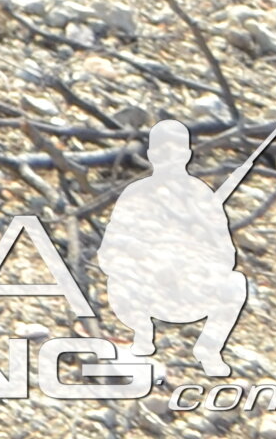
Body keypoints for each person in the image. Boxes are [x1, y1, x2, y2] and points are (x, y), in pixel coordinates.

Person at [99, 120, 255, 376]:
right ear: (150, 155)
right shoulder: (135, 194)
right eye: (162, 150)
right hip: (144, 287)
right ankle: (142, 335)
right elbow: (109, 251)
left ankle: (209, 348)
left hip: (190, 288)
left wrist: (196, 263)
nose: (170, 157)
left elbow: (227, 254)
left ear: (188, 154)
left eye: (177, 150)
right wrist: (147, 260)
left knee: (235, 282)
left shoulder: (202, 196)